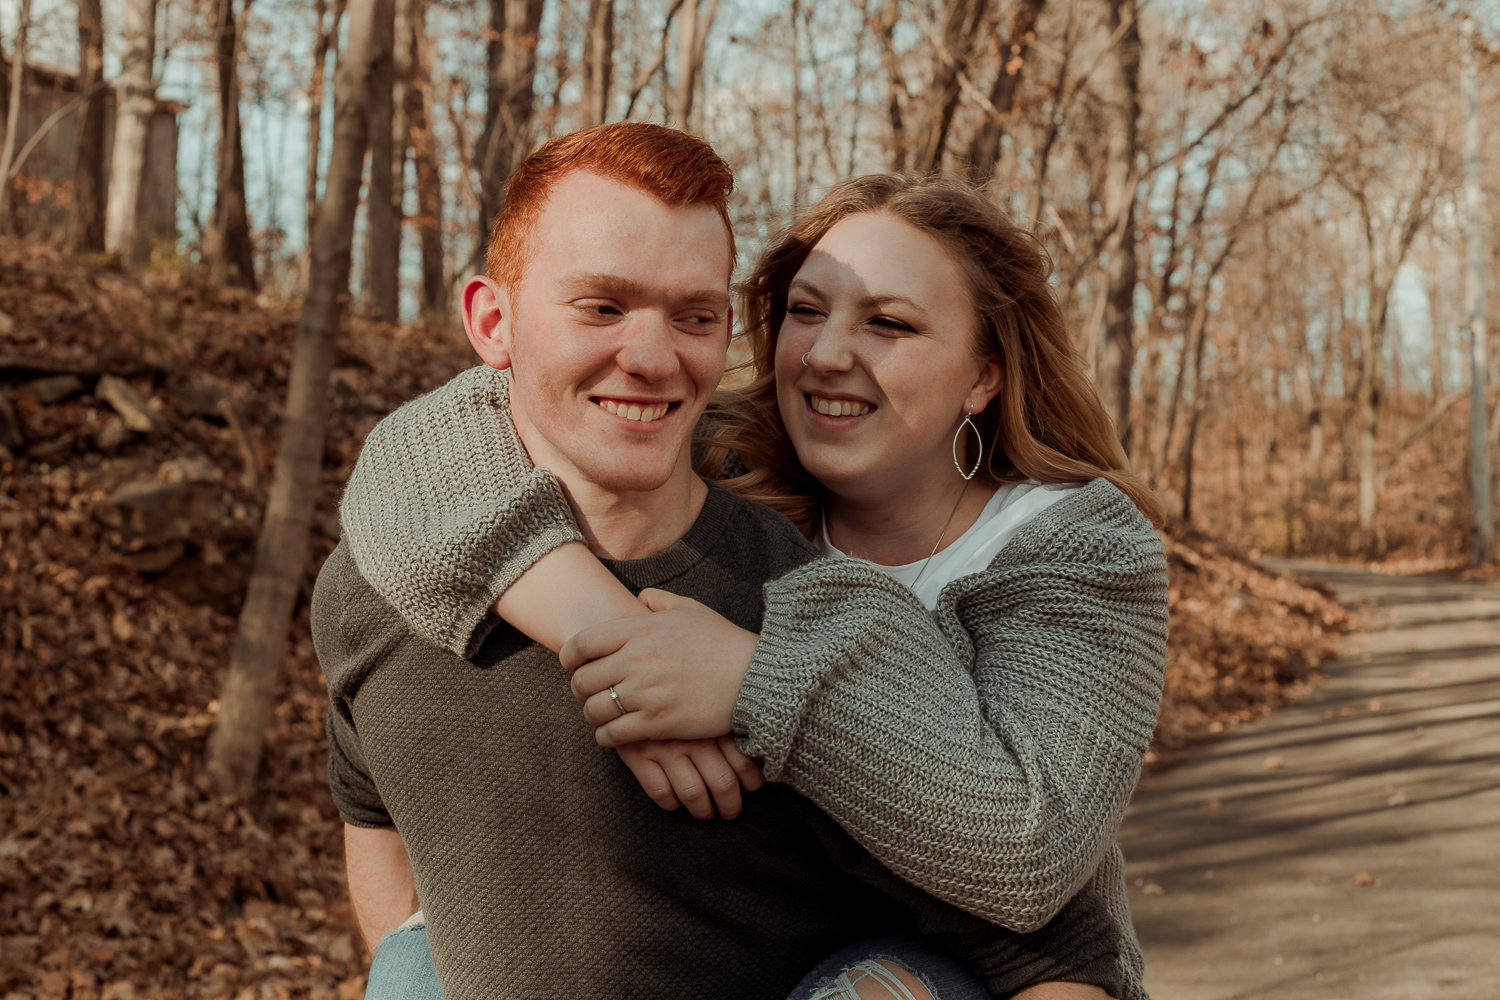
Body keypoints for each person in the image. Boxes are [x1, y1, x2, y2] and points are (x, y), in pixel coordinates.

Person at [320, 124, 1153, 1000]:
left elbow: (1037, 864)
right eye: (804, 311)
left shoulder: (1062, 555)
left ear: (983, 377)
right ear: (492, 321)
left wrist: (758, 677)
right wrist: (612, 640)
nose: (828, 354)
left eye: (891, 324)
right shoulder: (721, 454)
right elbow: (417, 457)